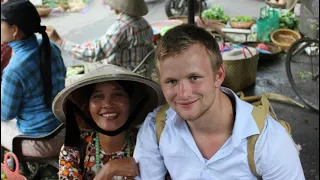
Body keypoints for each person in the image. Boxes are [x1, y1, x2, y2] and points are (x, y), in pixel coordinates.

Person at [133, 24, 305, 179]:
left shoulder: (269, 142)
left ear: (219, 75)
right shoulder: (156, 129)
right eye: (171, 81)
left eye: (194, 77)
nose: (183, 93)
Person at [52, 64, 164, 179]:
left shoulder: (148, 143)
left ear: (131, 104)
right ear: (88, 108)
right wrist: (109, 170)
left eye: (118, 95)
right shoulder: (73, 151)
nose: (107, 104)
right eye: (98, 96)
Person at [1, 0, 66, 157]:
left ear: (14, 30)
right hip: (63, 130)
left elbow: (5, 114)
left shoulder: (14, 70)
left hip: (39, 143)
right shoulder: (51, 46)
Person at [46, 0, 154, 76]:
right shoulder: (143, 23)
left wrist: (60, 41)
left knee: (84, 67)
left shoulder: (122, 27)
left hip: (124, 76)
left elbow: (94, 54)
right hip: (139, 71)